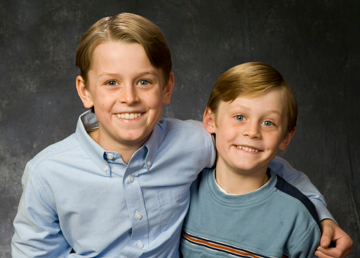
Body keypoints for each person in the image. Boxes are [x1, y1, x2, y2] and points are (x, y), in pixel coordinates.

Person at [11, 13, 352, 258]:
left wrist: (321, 214)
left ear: (167, 87)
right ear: (85, 91)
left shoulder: (193, 142)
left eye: (144, 81)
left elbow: (258, 160)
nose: (129, 97)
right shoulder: (47, 173)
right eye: (111, 82)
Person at [180, 62, 351, 258]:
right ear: (211, 120)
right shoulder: (185, 188)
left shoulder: (297, 219)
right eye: (239, 117)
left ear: (286, 137)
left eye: (268, 122)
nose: (252, 131)